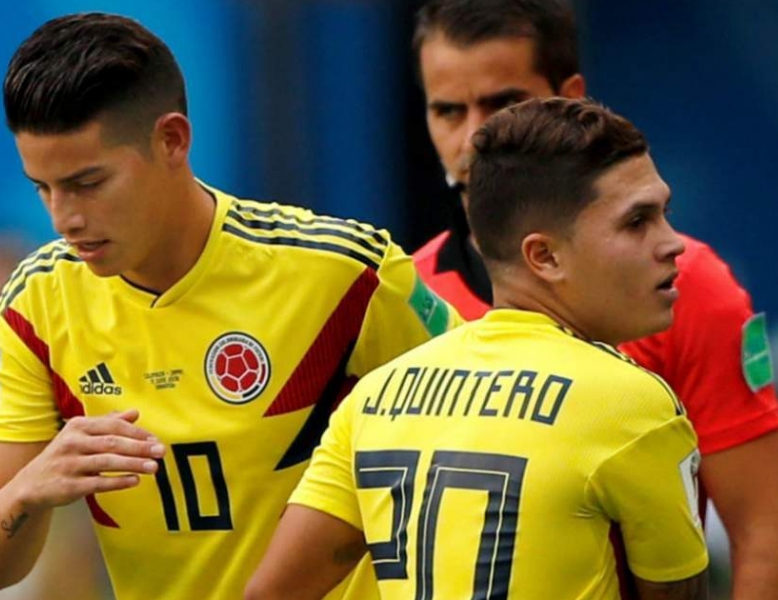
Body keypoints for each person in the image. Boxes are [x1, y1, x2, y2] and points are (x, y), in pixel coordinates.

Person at [0, 13, 457, 600]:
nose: (65, 219)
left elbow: (491, 434)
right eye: (44, 188)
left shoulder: (348, 273)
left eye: (88, 183)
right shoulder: (35, 305)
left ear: (172, 140)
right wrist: (29, 489)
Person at [405, 1, 778, 597]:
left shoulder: (684, 285)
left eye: (502, 102)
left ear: (570, 96)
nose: (472, 137)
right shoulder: (400, 294)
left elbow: (765, 530)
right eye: (447, 110)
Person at [247, 98, 709, 600]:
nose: (673, 243)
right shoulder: (632, 405)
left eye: (665, 213)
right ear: (545, 256)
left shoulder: (376, 396)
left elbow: (268, 594)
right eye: (637, 222)